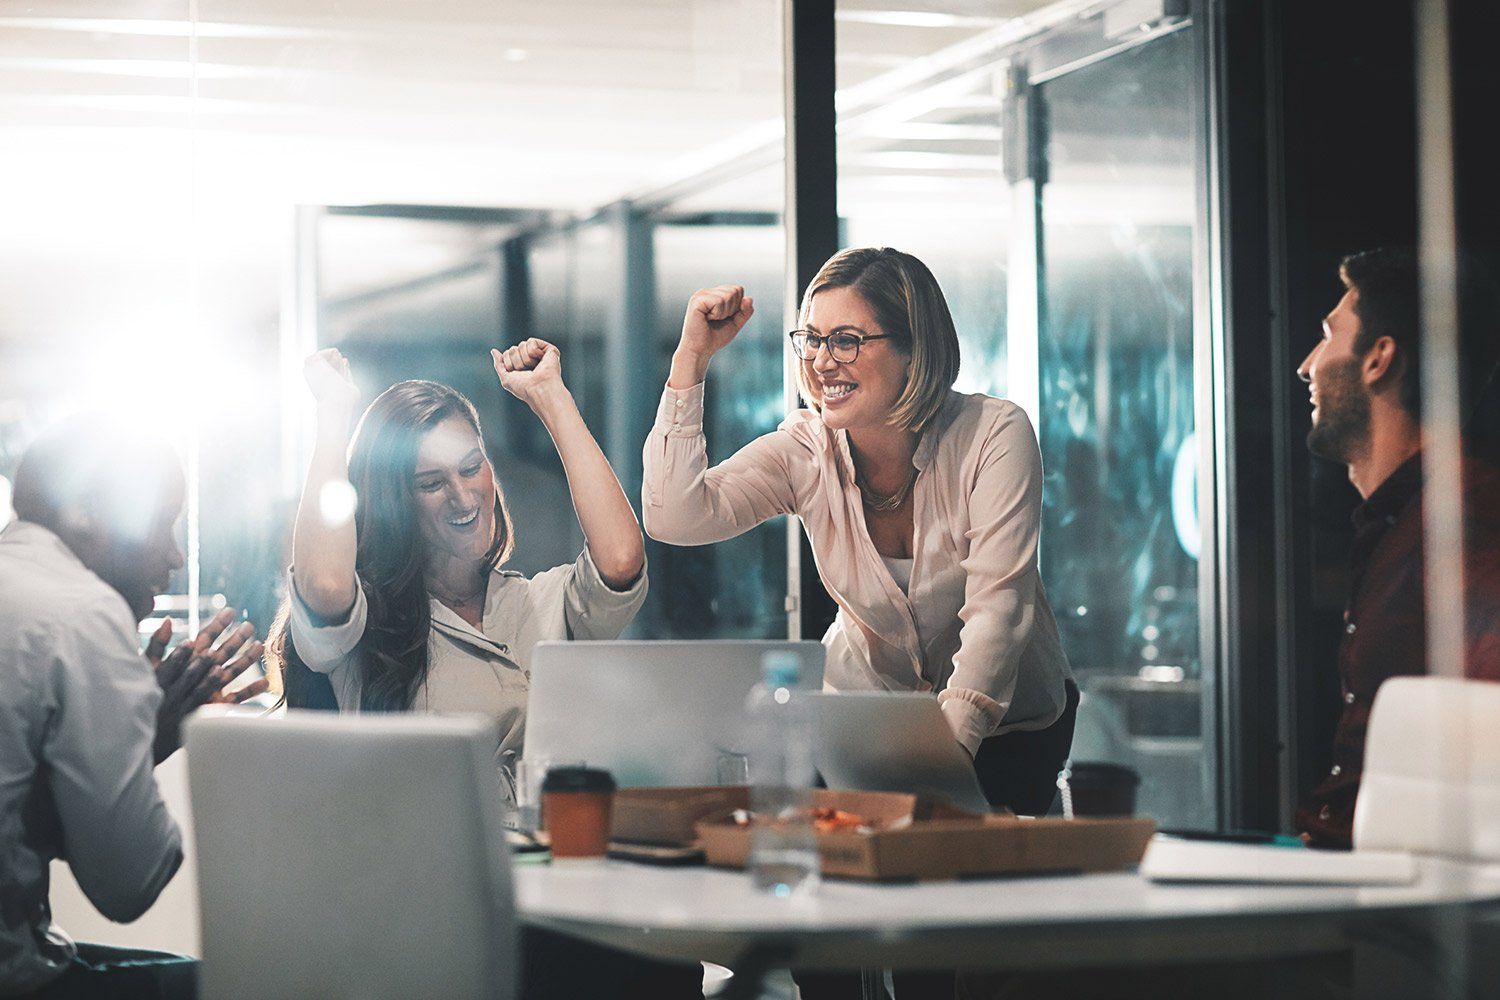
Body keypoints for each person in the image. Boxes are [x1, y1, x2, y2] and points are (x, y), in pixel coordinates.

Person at [645, 247, 1076, 998]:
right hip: (861, 719)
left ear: (916, 349)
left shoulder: (994, 434)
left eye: (847, 340)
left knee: (945, 947)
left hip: (1009, 728)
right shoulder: (804, 451)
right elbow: (676, 515)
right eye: (810, 339)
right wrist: (691, 361)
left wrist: (940, 768)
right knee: (830, 941)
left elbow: (998, 616)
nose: (820, 360)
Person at [266, 341, 702, 1000]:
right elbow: (325, 580)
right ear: (393, 497)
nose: (464, 495)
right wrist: (335, 418)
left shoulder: (533, 601)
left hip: (558, 900)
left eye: (473, 468)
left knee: (667, 965)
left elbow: (619, 558)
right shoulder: (363, 627)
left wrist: (551, 398)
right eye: (431, 481)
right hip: (437, 916)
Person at [0, 418, 267, 999]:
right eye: (161, 521)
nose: (173, 554)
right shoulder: (83, 614)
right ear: (89, 511)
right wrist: (152, 736)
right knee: (250, 983)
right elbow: (130, 885)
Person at [1293, 247, 1500, 849]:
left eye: (1329, 335)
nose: (1308, 366)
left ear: (1379, 358)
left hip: (1395, 905)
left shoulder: (1463, 519)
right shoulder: (1404, 521)